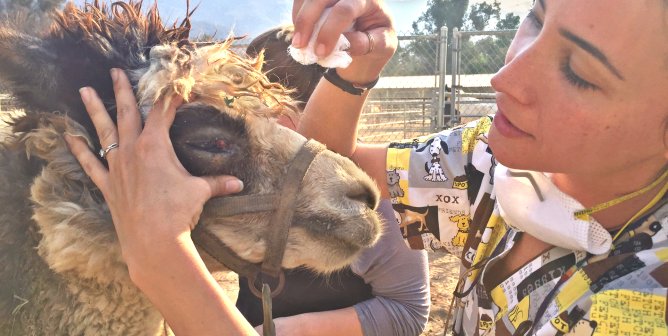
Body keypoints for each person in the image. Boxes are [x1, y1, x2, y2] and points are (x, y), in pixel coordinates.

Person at [65, 0, 668, 335]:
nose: (505, 77)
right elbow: (337, 169)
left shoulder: (642, 307)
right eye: (535, 17)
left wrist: (161, 258)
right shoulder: (494, 163)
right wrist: (354, 73)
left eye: (581, 73)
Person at [233, 25, 430, 336]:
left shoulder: (378, 188)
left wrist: (276, 332)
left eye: (265, 109)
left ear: (322, 106)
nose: (248, 121)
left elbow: (408, 311)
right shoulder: (253, 173)